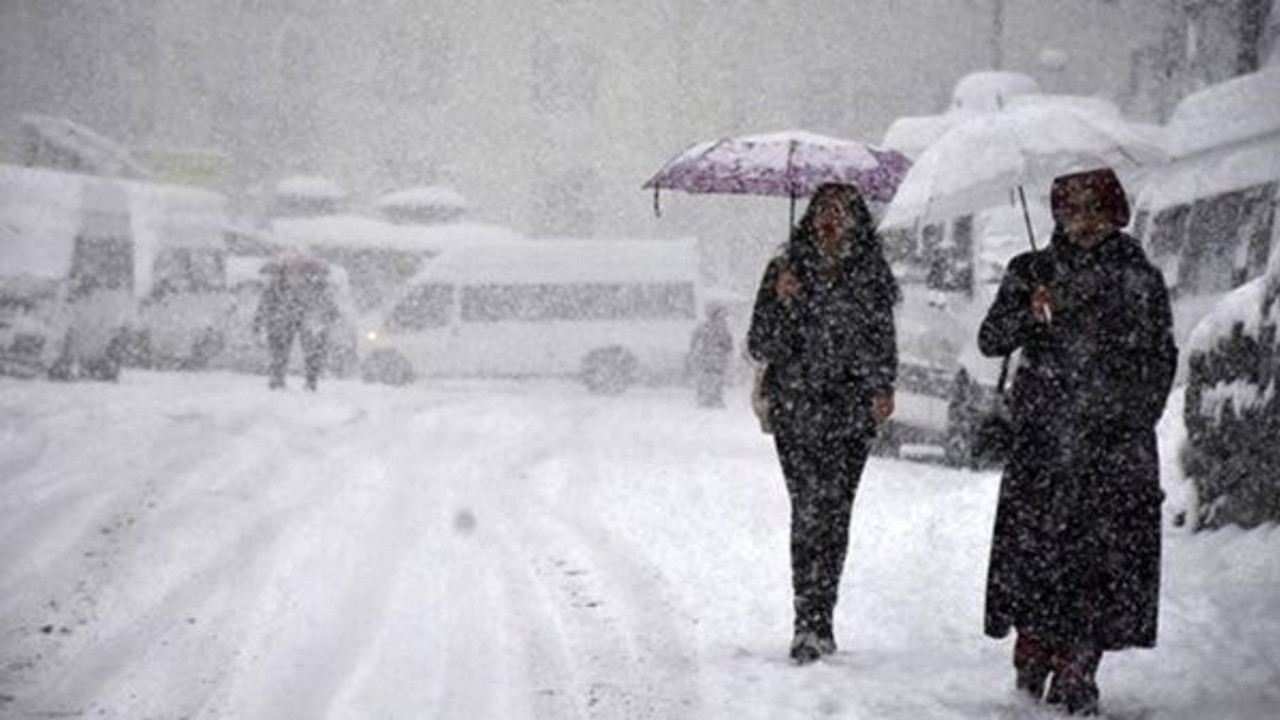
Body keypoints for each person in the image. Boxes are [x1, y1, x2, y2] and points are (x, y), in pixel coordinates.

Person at [977, 168, 1177, 715]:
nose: (1084, 222)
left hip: (1113, 448)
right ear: (1058, 214)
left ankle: (1079, 667)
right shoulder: (1031, 270)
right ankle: (1035, 648)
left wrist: (1131, 417)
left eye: (1095, 210)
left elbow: (1159, 359)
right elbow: (991, 340)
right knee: (1038, 558)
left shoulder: (1138, 277)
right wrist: (1027, 309)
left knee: (1099, 564)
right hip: (1044, 445)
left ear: (1115, 213)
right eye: (1073, 210)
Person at [747, 182, 898, 664]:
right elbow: (759, 344)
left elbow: (881, 342)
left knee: (835, 514)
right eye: (823, 211)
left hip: (849, 413)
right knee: (808, 510)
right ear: (810, 218)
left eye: (841, 211)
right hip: (796, 409)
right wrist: (782, 300)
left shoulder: (870, 276)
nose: (830, 220)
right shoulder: (784, 271)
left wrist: (881, 387)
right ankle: (805, 622)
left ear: (856, 221)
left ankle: (822, 617)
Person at [253, 256, 340, 391]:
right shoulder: (315, 287)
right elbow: (330, 306)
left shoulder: (282, 287)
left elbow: (265, 304)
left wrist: (259, 322)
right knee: (298, 351)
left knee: (284, 351)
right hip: (296, 321)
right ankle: (297, 380)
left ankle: (283, 380)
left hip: (288, 320)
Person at [688, 305, 734, 407]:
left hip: (716, 360)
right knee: (707, 380)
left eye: (723, 316)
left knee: (715, 380)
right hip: (708, 359)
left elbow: (729, 344)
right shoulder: (706, 327)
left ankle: (714, 399)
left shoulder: (722, 328)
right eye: (721, 316)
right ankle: (706, 400)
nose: (723, 319)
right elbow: (694, 340)